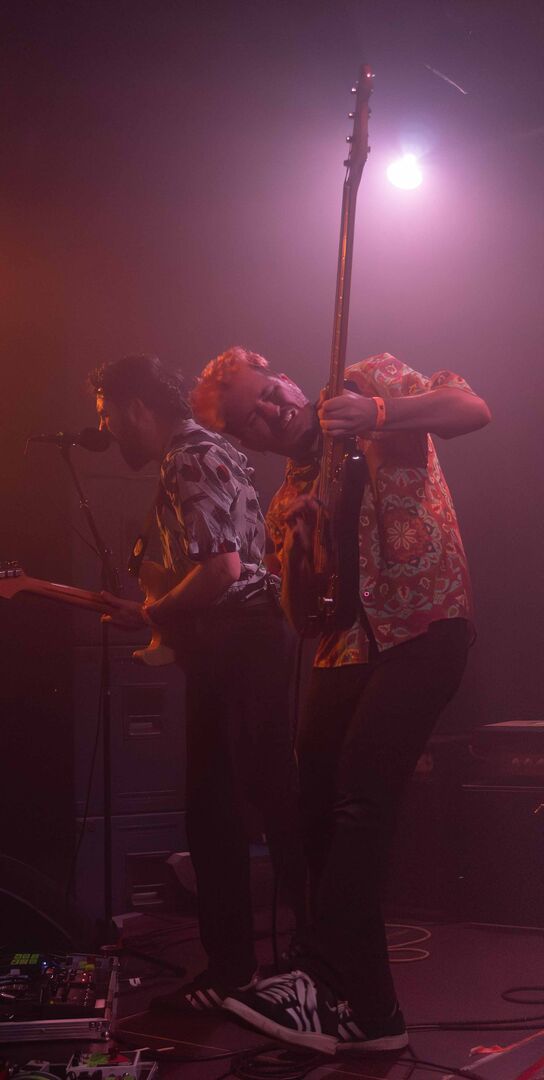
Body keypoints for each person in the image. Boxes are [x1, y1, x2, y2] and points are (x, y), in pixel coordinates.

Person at [191, 346, 491, 1054]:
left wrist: (379, 411)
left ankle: (323, 974)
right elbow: (303, 619)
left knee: (361, 796)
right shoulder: (285, 500)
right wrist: (300, 555)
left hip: (424, 625)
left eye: (270, 392)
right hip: (344, 650)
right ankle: (372, 1013)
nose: (273, 411)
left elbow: (471, 409)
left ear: (282, 376)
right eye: (253, 418)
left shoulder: (369, 380)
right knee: (312, 811)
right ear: (247, 441)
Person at [89, 354, 307, 1011]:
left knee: (218, 814)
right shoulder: (211, 449)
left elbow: (222, 571)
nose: (106, 431)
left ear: (135, 409)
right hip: (249, 640)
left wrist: (156, 612)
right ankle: (310, 958)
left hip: (239, 642)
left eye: (108, 416)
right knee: (268, 803)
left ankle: (239, 971)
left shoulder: (187, 456)